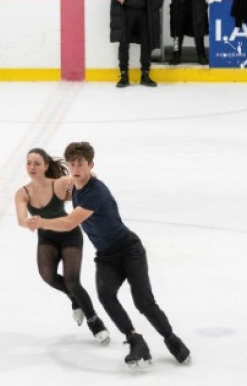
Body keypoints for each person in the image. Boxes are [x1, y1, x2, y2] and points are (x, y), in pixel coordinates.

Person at [27, 142, 190, 368]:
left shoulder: (96, 192)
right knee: (106, 296)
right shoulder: (75, 185)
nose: (76, 168)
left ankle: (172, 340)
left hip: (129, 250)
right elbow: (54, 187)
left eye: (81, 164)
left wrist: (41, 221)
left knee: (143, 302)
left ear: (90, 164)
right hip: (106, 256)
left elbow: (70, 222)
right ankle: (135, 340)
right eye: (72, 164)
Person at [14, 148, 110, 344]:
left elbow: (87, 178)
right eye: (28, 163)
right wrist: (29, 223)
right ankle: (75, 299)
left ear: (46, 166)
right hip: (46, 239)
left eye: (37, 163)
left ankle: (94, 321)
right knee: (47, 276)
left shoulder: (58, 184)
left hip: (69, 236)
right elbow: (21, 220)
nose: (31, 167)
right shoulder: (22, 193)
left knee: (72, 281)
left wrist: (88, 175)